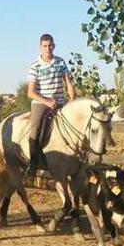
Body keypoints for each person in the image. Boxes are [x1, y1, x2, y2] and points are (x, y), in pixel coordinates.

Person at [25, 33, 76, 177]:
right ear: (40, 47)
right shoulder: (35, 65)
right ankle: (34, 163)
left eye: (50, 45)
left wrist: (72, 100)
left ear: (54, 45)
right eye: (45, 46)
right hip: (41, 103)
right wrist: (47, 101)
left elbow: (68, 83)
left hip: (59, 102)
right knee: (35, 132)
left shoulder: (60, 62)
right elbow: (30, 92)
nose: (48, 48)